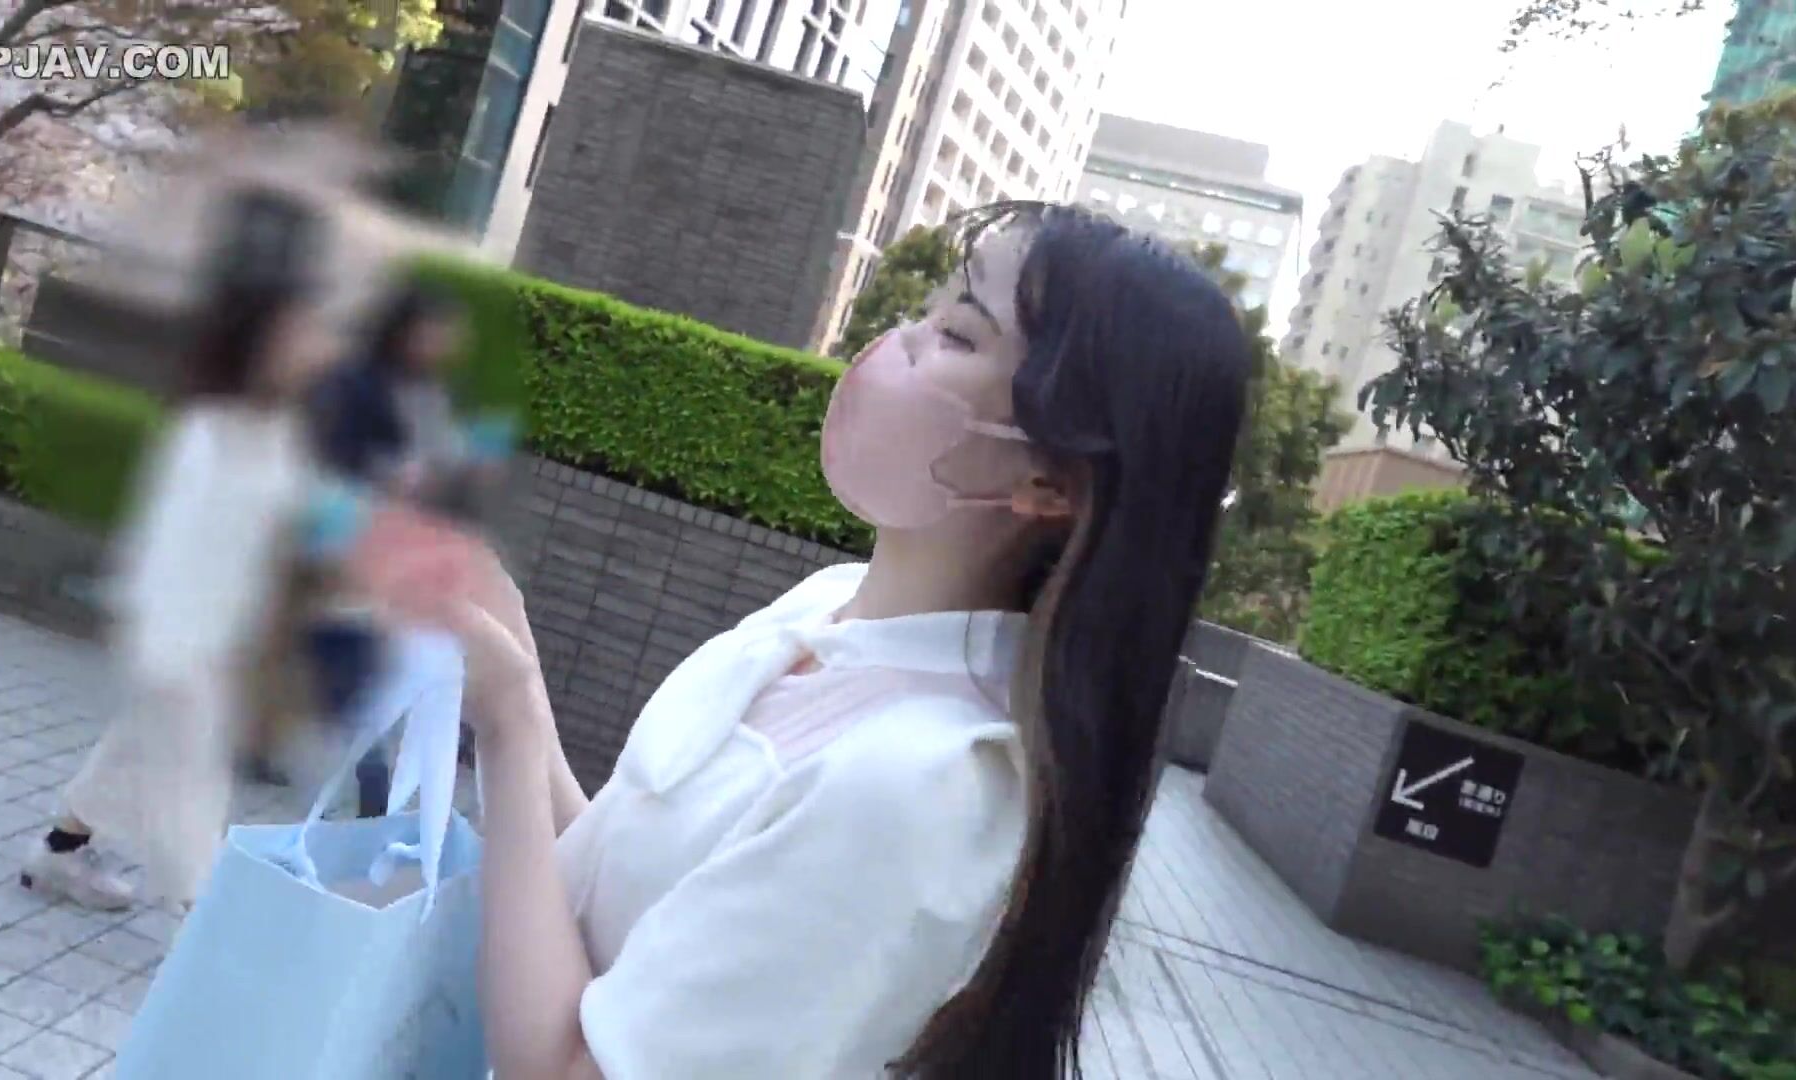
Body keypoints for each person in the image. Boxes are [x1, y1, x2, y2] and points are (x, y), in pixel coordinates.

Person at [356, 202, 1253, 1077]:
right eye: (929, 309)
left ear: (1051, 485)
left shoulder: (920, 785)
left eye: (958, 334)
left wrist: (510, 725)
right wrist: (508, 647)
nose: (896, 343)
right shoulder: (827, 605)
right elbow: (623, 891)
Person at [21, 192, 337, 911]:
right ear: (259, 344)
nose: (317, 346)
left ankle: (58, 852)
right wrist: (177, 652)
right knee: (192, 805)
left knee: (134, 749)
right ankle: (205, 936)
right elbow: (167, 551)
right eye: (301, 333)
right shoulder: (215, 431)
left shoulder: (278, 429)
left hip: (208, 644)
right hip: (183, 646)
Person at [303, 281, 481, 817]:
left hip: (391, 544)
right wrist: (390, 472)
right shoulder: (359, 379)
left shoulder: (430, 392)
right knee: (349, 657)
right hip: (345, 533)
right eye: (433, 332)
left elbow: (438, 457)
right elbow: (331, 451)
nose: (442, 344)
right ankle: (367, 785)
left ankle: (361, 777)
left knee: (361, 661)